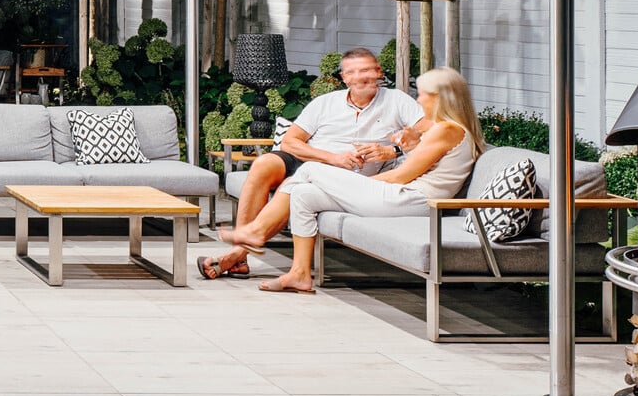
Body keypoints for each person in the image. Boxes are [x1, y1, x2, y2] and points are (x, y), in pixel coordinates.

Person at [214, 66, 485, 294]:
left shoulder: (448, 130)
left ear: (441, 98)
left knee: (309, 171)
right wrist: (403, 142)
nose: (419, 99)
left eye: (424, 94)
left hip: (414, 200)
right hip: (407, 197)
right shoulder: (444, 128)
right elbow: (415, 138)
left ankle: (256, 231)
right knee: (304, 195)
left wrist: (362, 185)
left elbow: (403, 175)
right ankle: (299, 274)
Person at [198, 46, 419, 279]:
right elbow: (290, 142)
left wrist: (391, 150)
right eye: (352, 72)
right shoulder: (326, 102)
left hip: (347, 172)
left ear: (378, 72)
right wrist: (331, 157)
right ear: (343, 78)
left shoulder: (396, 100)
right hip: (316, 157)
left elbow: (425, 132)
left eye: (366, 70)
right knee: (264, 164)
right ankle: (240, 253)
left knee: (294, 185)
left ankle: (236, 256)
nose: (360, 77)